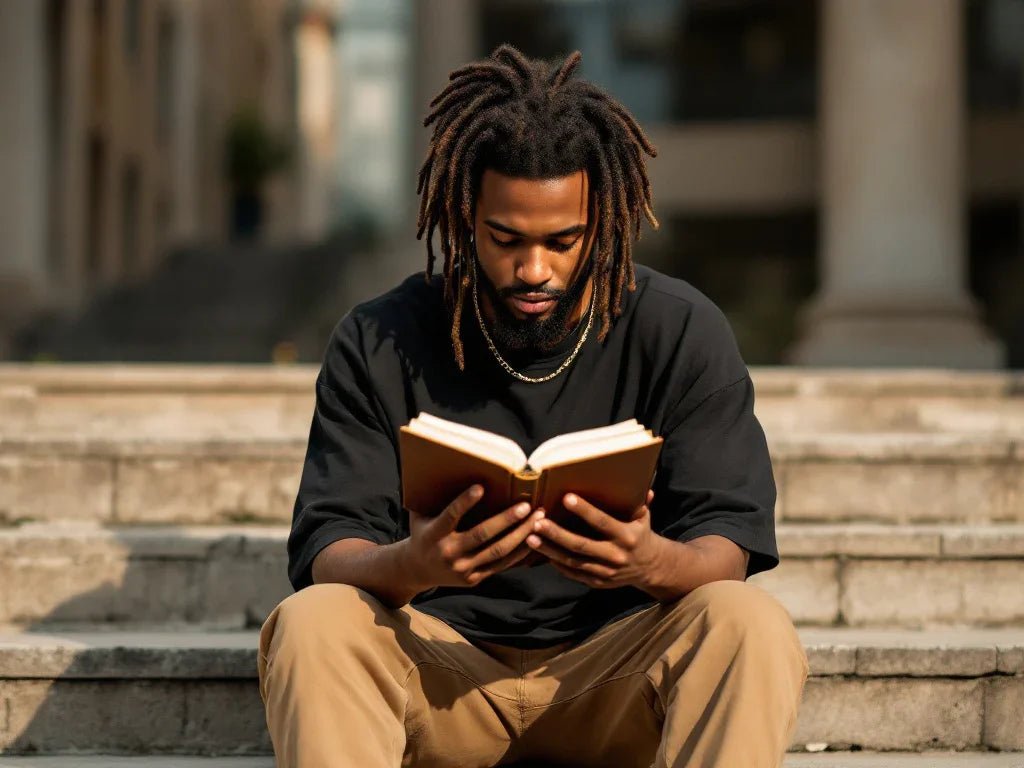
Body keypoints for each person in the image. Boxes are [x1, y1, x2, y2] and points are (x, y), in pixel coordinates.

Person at [258, 45, 808, 768]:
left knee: (750, 623)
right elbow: (330, 553)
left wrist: (648, 560)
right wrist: (413, 563)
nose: (533, 270)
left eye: (562, 241)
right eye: (506, 239)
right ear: (462, 218)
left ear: (605, 222)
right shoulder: (380, 337)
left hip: (615, 680)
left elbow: (725, 550)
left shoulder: (680, 329)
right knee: (311, 622)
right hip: (436, 673)